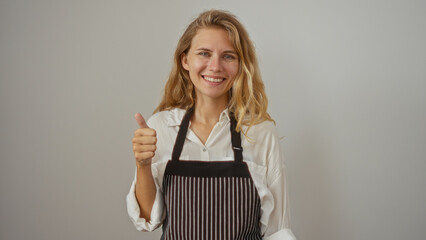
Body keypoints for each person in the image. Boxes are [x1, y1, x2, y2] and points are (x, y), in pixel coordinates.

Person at [127, 9, 296, 240]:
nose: (215, 66)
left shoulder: (260, 132)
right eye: (204, 54)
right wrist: (142, 164)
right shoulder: (160, 127)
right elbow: (148, 219)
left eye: (228, 56)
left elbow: (277, 231)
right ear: (185, 60)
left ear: (240, 65)